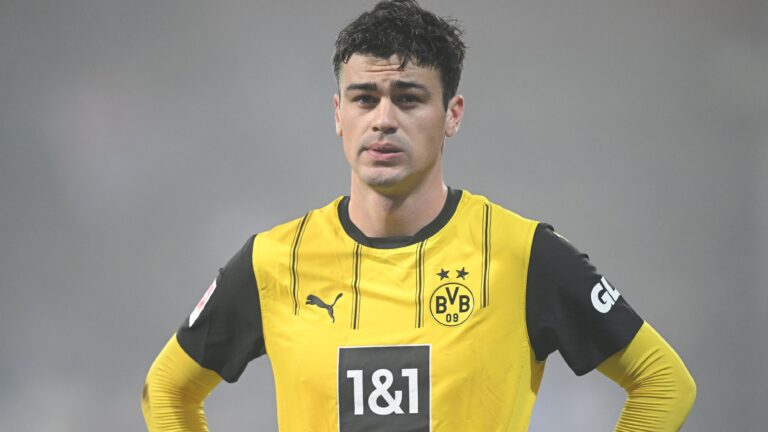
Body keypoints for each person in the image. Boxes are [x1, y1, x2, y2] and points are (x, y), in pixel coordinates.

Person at [141, 1, 696, 430]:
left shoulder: (521, 255)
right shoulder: (273, 261)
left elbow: (663, 382)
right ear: (338, 114)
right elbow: (166, 390)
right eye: (364, 98)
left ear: (452, 114)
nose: (383, 119)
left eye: (408, 98)